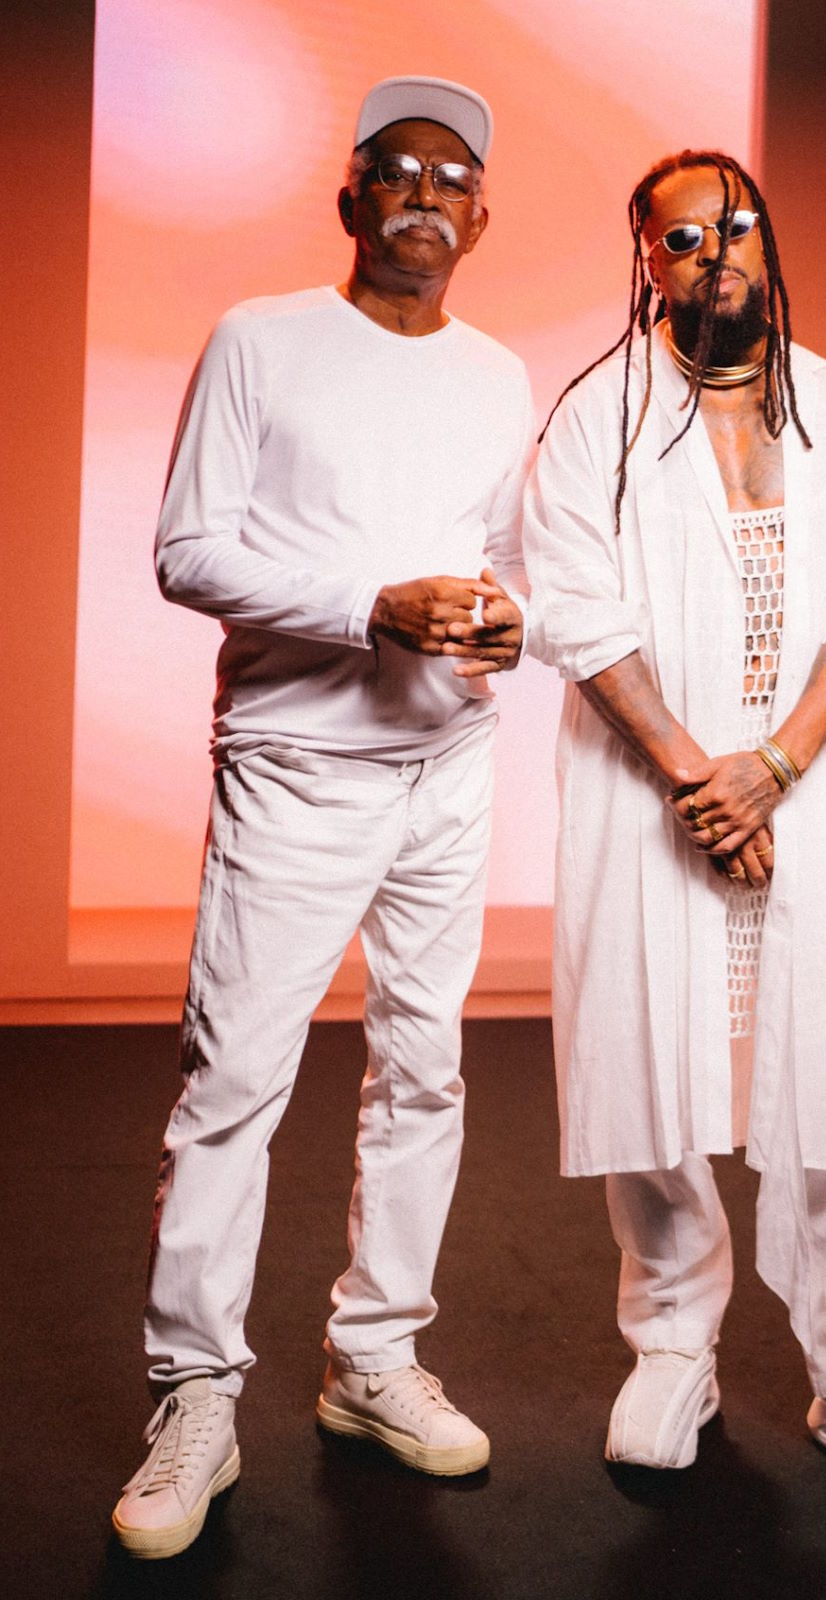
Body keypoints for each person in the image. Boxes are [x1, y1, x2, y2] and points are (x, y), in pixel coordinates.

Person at [112, 76, 532, 1559]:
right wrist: (369, 606)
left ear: (480, 219)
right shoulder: (262, 338)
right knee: (236, 1083)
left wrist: (504, 623)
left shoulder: (498, 373)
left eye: (451, 179)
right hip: (296, 764)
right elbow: (186, 551)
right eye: (395, 171)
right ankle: (195, 1393)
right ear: (351, 199)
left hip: (450, 766)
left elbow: (503, 558)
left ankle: (374, 1357)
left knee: (426, 1073)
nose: (423, 195)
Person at [523, 150, 826, 1496]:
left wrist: (769, 769)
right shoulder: (595, 419)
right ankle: (672, 1340)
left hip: (807, 784)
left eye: (736, 224)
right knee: (651, 1056)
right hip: (646, 783)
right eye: (681, 237)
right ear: (646, 264)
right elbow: (576, 614)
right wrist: (695, 781)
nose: (714, 250)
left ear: (767, 237)